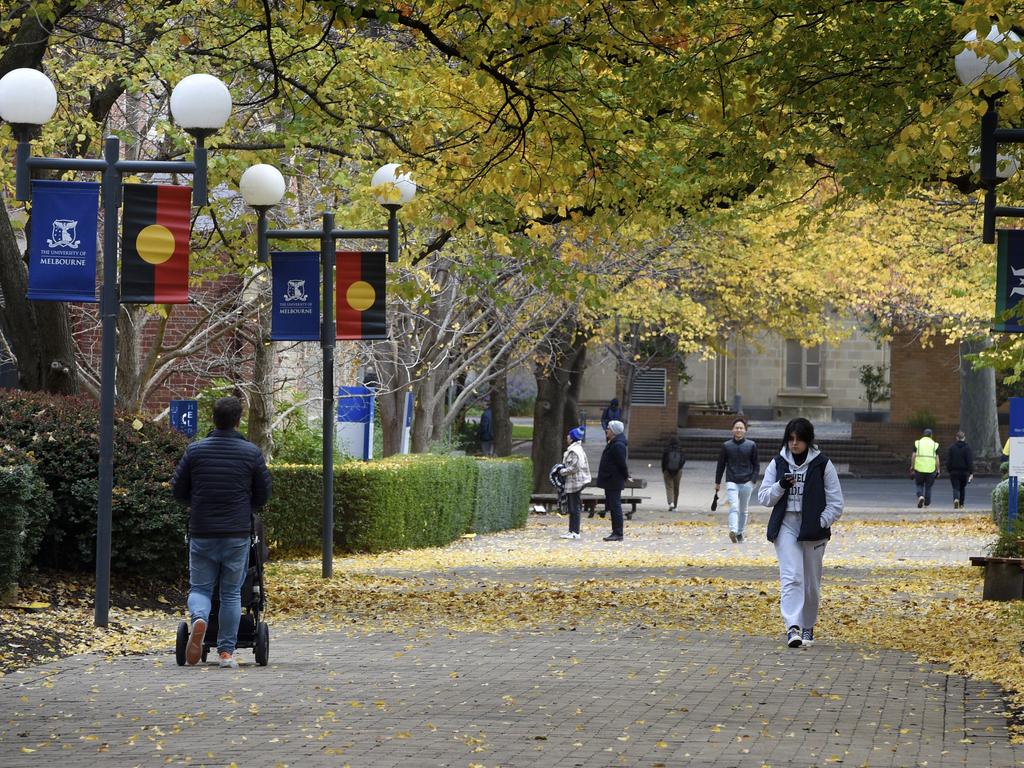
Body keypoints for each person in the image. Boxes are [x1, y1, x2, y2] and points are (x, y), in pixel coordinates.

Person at [172, 396, 272, 669]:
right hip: (236, 532)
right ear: (238, 421)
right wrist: (244, 507)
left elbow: (177, 490)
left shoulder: (195, 451)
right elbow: (263, 495)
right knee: (231, 593)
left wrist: (196, 503)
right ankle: (226, 653)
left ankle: (200, 619)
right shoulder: (251, 453)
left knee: (200, 587)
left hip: (202, 529)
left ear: (213, 419)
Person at [757, 417, 843, 649]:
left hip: (813, 528)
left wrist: (821, 521)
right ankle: (792, 627)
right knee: (792, 576)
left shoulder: (822, 464)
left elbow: (836, 502)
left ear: (808, 440)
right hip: (786, 523)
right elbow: (764, 497)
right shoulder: (778, 463)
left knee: (811, 583)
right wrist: (781, 486)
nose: (794, 444)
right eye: (791, 439)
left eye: (799, 440)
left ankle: (808, 624)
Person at [714, 417, 759, 543]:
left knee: (743, 510)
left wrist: (753, 480)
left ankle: (740, 532)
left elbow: (756, 464)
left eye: (741, 428)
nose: (738, 430)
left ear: (745, 430)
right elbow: (721, 465)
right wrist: (717, 482)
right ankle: (733, 530)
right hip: (731, 480)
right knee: (734, 506)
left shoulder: (751, 445)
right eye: (736, 428)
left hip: (747, 481)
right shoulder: (726, 446)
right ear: (732, 430)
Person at [596, 420, 631, 542]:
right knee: (613, 506)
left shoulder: (617, 445)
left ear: (614, 431)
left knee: (615, 506)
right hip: (611, 479)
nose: (607, 430)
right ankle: (615, 531)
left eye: (609, 429)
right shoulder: (614, 443)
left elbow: (621, 463)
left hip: (613, 480)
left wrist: (626, 476)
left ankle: (618, 532)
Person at [558, 427, 591, 539]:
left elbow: (575, 467)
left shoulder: (574, 451)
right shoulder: (575, 449)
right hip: (573, 482)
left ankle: (575, 532)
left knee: (574, 507)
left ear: (572, 438)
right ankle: (571, 530)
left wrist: (562, 471)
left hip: (575, 483)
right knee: (572, 507)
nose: (567, 437)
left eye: (568, 435)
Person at [910, 427, 940, 508]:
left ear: (923, 435)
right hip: (931, 469)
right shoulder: (935, 445)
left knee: (919, 484)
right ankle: (927, 503)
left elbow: (913, 456)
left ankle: (920, 496)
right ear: (931, 435)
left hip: (919, 468)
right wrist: (938, 469)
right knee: (928, 486)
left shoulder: (917, 443)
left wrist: (912, 466)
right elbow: (937, 458)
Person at [946, 431, 975, 510]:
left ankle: (956, 499)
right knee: (962, 488)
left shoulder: (952, 447)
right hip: (964, 472)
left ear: (957, 438)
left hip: (954, 471)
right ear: (964, 438)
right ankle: (961, 504)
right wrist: (971, 471)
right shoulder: (967, 448)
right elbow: (969, 461)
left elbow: (949, 460)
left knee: (955, 487)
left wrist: (949, 470)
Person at [661, 436, 686, 511]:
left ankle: (670, 503)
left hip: (667, 471)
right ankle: (675, 506)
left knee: (669, 487)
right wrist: (679, 468)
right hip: (678, 471)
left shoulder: (666, 450)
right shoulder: (681, 450)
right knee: (676, 488)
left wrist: (664, 470)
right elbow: (683, 460)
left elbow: (663, 461)